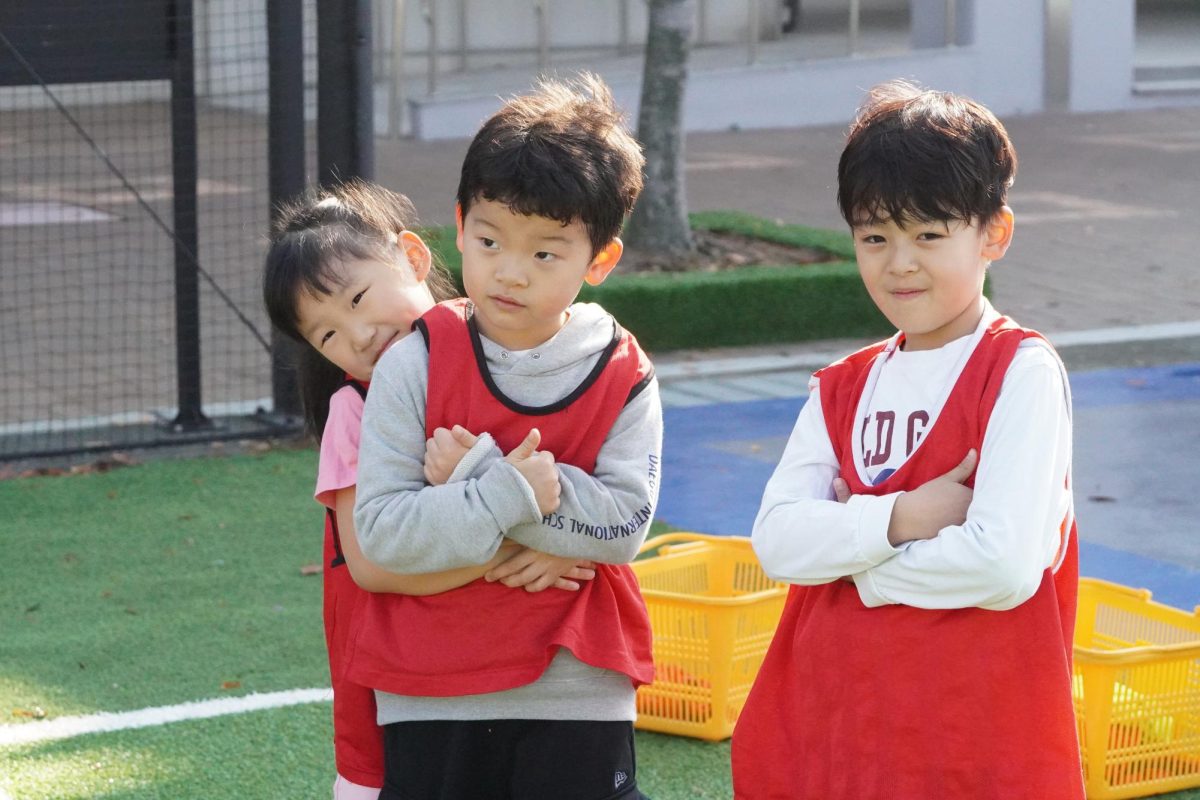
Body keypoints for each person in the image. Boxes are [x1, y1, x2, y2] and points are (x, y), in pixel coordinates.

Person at [731, 81, 1084, 799]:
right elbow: (776, 541)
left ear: (994, 233)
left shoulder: (1020, 371)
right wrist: (902, 518)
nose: (900, 263)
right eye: (875, 238)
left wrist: (846, 564)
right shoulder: (841, 384)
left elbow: (1003, 565)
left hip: (972, 746)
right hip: (834, 734)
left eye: (929, 235)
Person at [350, 73, 661, 800]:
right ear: (459, 225)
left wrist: (487, 474)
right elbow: (383, 531)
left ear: (601, 261)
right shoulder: (415, 360)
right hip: (430, 686)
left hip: (576, 685)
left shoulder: (624, 370)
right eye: (490, 241)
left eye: (546, 254)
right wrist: (511, 499)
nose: (510, 273)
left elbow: (621, 526)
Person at [263, 180, 598, 800]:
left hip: (516, 658)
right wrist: (512, 554)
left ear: (414, 258)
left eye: (360, 298)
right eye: (328, 335)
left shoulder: (508, 357)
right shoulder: (354, 410)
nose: (358, 335)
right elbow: (372, 566)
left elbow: (589, 487)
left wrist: (564, 542)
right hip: (403, 658)